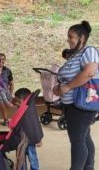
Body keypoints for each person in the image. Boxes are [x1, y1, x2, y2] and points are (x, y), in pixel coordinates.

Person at [53, 20, 98, 170]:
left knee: (77, 141)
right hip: (72, 105)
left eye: (71, 37)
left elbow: (90, 72)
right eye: (68, 37)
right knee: (84, 137)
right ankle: (89, 167)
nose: (68, 40)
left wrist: (67, 87)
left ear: (82, 38)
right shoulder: (74, 56)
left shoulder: (89, 51)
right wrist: (59, 88)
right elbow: (67, 79)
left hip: (82, 105)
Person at [14, 88, 42, 170]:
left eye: (19, 102)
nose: (17, 104)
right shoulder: (21, 111)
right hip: (21, 140)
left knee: (32, 157)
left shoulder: (30, 112)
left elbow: (35, 126)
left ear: (26, 101)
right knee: (21, 158)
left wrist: (38, 139)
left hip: (30, 140)